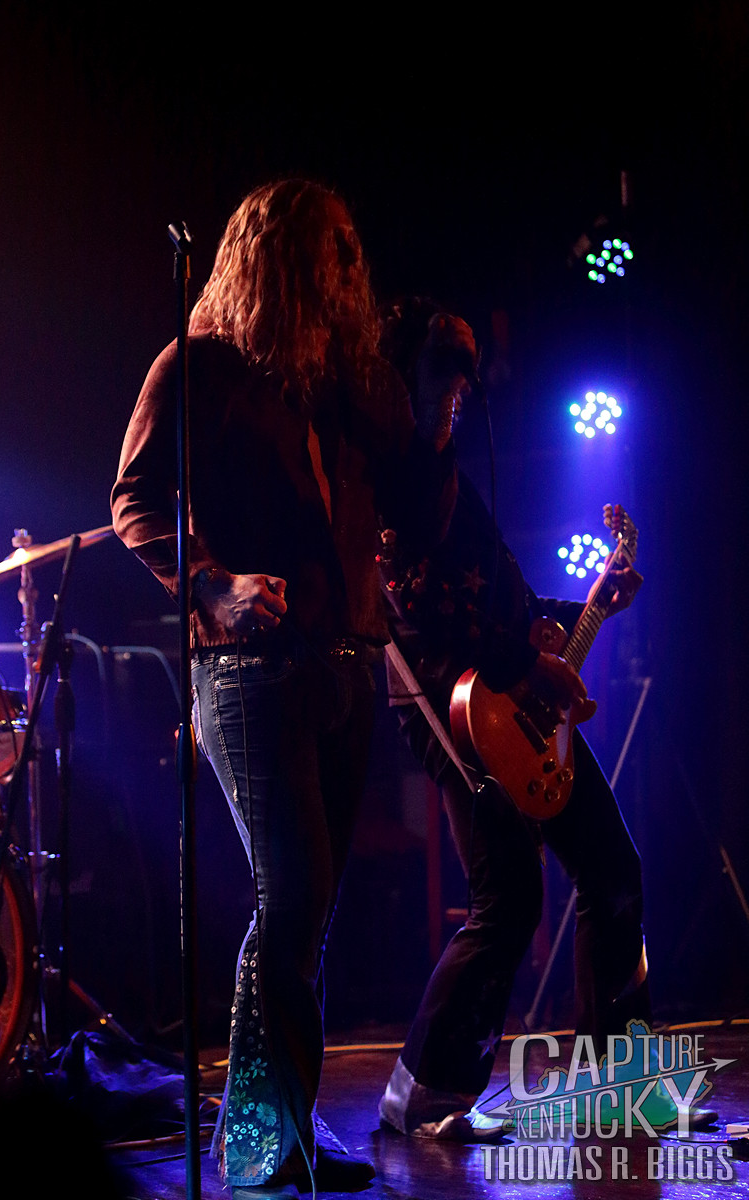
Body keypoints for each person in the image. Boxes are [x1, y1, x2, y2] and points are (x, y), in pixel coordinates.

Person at [110, 184, 469, 1199]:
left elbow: (419, 515)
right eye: (328, 249)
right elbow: (133, 498)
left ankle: (277, 1130)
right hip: (247, 669)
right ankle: (266, 1141)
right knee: (296, 893)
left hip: (348, 664)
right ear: (273, 257)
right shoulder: (198, 364)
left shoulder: (347, 384)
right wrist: (211, 585)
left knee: (307, 908)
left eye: (351, 250)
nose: (347, 269)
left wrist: (434, 416)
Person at [375, 297, 654, 1141]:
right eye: (441, 378)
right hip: (459, 706)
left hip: (511, 697)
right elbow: (421, 613)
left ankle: (617, 1089)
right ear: (403, 381)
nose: (458, 395)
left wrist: (588, 603)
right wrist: (522, 662)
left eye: (462, 383)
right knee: (510, 898)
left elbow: (509, 609)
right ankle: (422, 1094)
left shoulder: (456, 484)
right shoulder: (393, 482)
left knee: (610, 870)